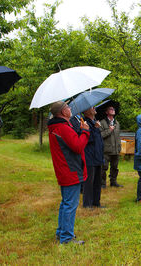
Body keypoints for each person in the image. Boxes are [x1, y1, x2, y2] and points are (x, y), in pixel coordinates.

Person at [47, 101, 90, 245]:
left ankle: (61, 233)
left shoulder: (59, 126)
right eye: (67, 107)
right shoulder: (62, 128)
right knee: (70, 204)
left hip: (66, 169)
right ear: (63, 112)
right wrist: (85, 131)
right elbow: (78, 146)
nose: (70, 109)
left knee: (66, 203)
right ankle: (66, 238)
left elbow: (71, 143)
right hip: (70, 170)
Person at [82, 107, 104, 209]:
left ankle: (96, 202)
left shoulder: (94, 122)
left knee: (97, 181)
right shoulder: (84, 123)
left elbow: (99, 140)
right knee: (89, 182)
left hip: (98, 156)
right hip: (90, 156)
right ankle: (87, 204)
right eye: (91, 107)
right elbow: (88, 139)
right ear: (86, 111)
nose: (94, 108)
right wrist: (95, 128)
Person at [99, 105, 122, 188]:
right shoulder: (102, 123)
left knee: (115, 167)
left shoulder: (117, 123)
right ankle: (102, 184)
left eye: (113, 109)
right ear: (106, 112)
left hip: (116, 150)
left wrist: (119, 147)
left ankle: (113, 182)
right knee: (104, 167)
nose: (113, 110)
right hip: (106, 150)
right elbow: (100, 135)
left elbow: (118, 136)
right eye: (110, 109)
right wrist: (109, 130)